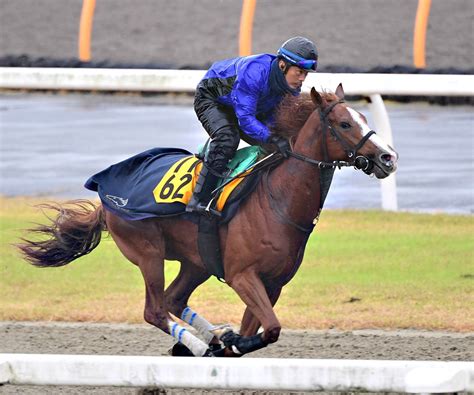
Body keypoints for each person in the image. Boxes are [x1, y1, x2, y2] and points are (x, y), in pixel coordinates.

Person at [186, 36, 318, 215]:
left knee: (281, 147)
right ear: (282, 65)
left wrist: (278, 138)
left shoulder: (291, 87)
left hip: (249, 105)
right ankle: (198, 200)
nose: (302, 79)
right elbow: (246, 120)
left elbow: (275, 118)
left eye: (305, 74)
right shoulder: (254, 73)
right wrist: (270, 136)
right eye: (299, 72)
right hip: (212, 99)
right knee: (228, 139)